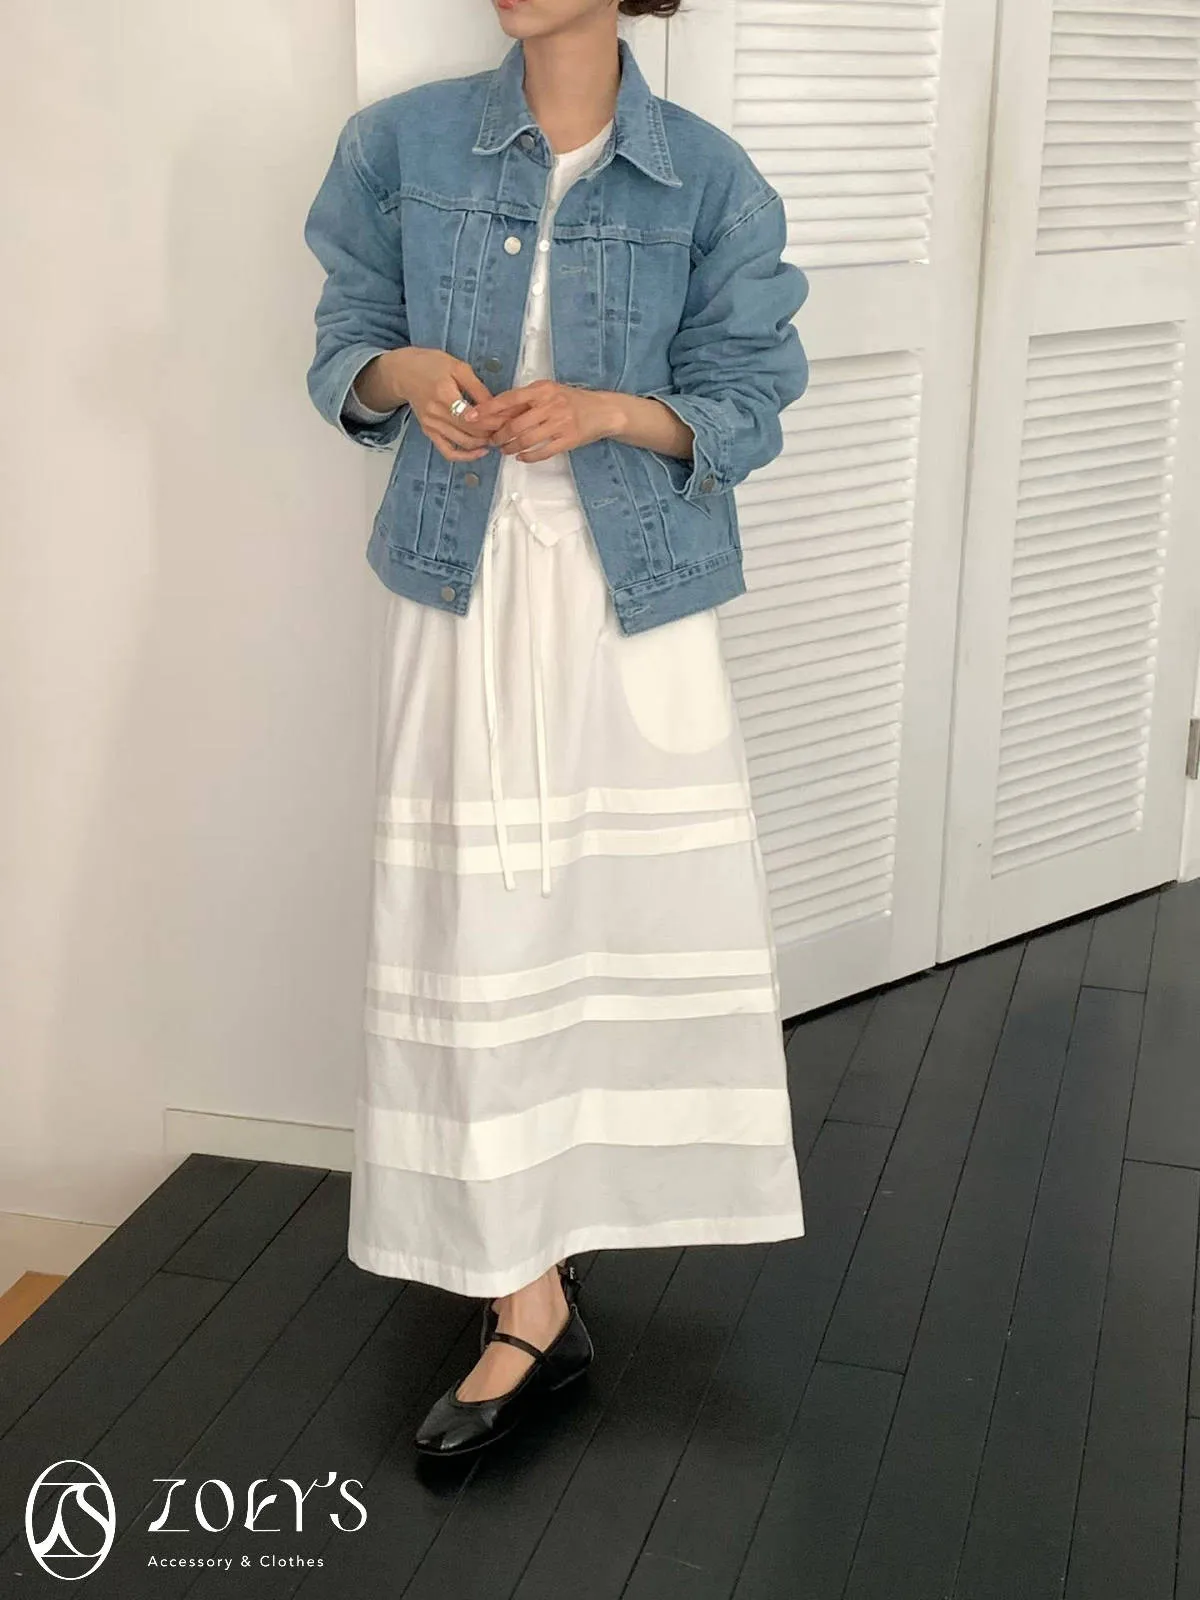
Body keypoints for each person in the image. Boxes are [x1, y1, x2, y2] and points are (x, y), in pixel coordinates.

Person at [303, 0, 810, 1459]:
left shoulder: (709, 176)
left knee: (615, 922)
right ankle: (523, 1294)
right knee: (475, 931)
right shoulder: (396, 146)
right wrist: (406, 380)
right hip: (460, 593)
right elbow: (343, 351)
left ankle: (561, 1247)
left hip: (628, 599)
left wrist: (606, 413)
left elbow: (752, 399)